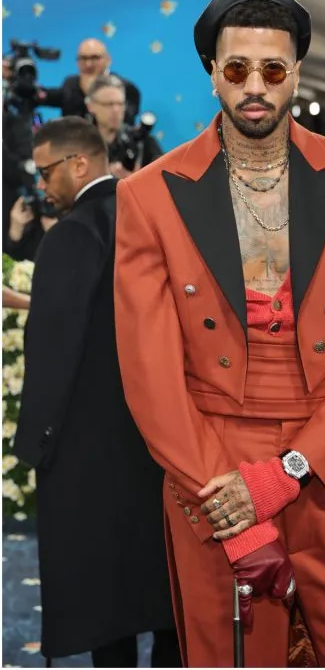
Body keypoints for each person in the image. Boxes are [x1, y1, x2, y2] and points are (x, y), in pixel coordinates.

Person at [113, 0, 325, 667]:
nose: (257, 86)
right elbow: (150, 371)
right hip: (211, 477)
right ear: (212, 73)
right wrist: (233, 504)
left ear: (297, 73)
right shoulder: (149, 197)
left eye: (273, 70)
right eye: (238, 69)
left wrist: (290, 472)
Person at [13, 116, 179, 667]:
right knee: (166, 588)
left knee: (108, 600)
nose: (42, 185)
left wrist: (33, 443)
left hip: (91, 446)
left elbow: (54, 347)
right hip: (166, 438)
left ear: (78, 163)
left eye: (45, 172)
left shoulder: (72, 234)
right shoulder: (158, 217)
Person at [39, 38, 141, 123]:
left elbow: (126, 121)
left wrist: (93, 92)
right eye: (83, 58)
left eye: (95, 58)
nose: (88, 64)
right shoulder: (70, 84)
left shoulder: (125, 88)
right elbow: (50, 96)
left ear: (108, 60)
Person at [85, 75, 162, 177]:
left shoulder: (142, 142)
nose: (116, 110)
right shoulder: (79, 145)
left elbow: (165, 181)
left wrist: (133, 181)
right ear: (91, 106)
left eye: (120, 104)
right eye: (109, 104)